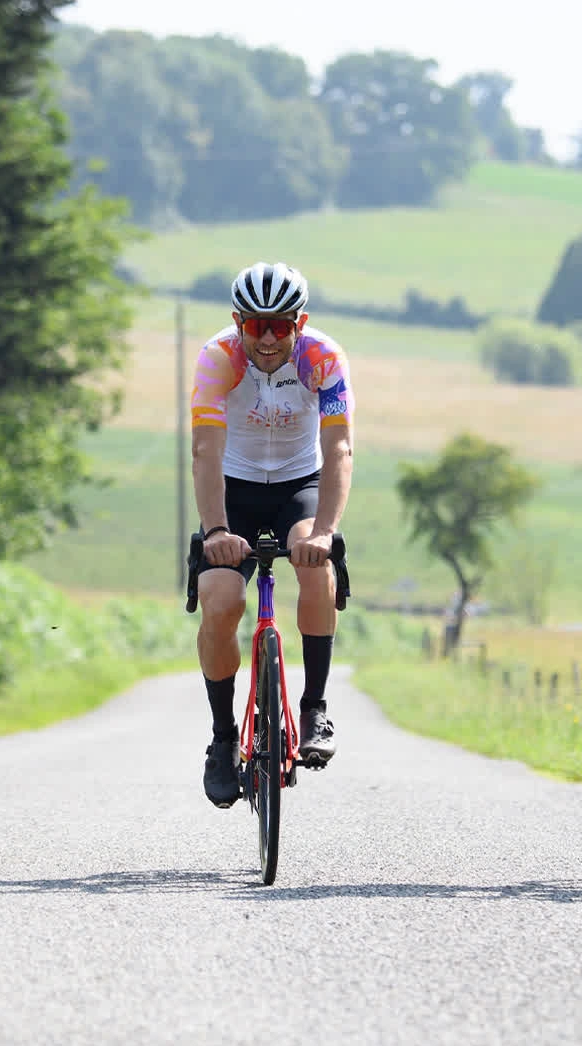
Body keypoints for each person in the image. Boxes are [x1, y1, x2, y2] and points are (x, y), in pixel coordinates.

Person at [190, 261, 354, 808]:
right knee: (221, 598)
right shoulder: (219, 358)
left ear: (299, 322)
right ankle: (221, 740)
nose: (265, 338)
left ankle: (314, 707)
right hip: (232, 487)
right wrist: (215, 528)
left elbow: (338, 450)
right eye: (253, 324)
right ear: (237, 321)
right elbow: (206, 450)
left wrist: (326, 531)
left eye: (279, 326)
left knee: (316, 567)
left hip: (297, 485)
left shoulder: (322, 358)